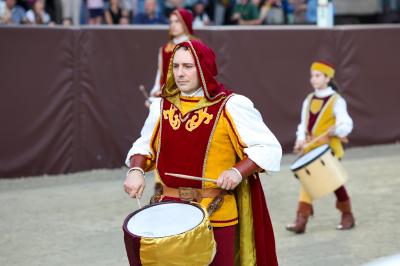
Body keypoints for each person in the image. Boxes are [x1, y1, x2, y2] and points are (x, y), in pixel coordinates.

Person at [123, 40, 281, 266]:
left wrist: (237, 172)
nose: (180, 73)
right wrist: (136, 170)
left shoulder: (231, 105)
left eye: (188, 66)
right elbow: (144, 144)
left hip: (215, 212)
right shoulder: (162, 105)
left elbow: (268, 147)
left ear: (203, 68)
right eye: (175, 66)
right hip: (167, 208)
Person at [286, 61, 355, 234]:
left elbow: (346, 123)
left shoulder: (337, 101)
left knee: (333, 182)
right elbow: (303, 124)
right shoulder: (308, 99)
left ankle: (346, 215)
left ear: (327, 77)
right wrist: (300, 139)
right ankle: (303, 219)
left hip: (329, 150)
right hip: (310, 150)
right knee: (310, 181)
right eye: (312, 76)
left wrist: (337, 130)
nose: (313, 79)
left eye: (317, 76)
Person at [145, 8, 196, 107]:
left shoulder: (195, 46)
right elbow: (160, 75)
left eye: (177, 21)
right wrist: (155, 93)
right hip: (167, 98)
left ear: (186, 23)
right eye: (171, 22)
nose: (173, 25)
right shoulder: (164, 49)